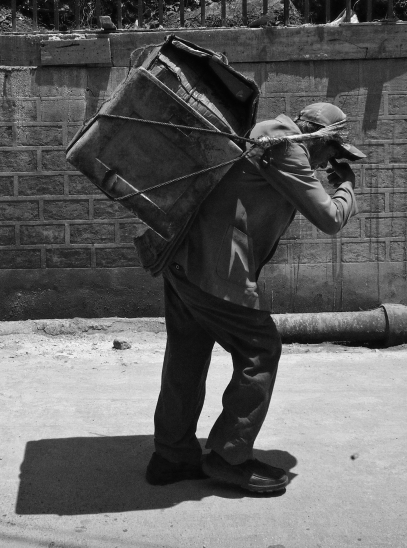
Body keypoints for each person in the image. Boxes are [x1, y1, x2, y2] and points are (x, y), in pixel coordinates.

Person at [144, 101, 364, 493]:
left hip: (183, 260)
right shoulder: (287, 149)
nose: (330, 162)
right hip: (216, 272)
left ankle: (171, 456)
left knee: (188, 354)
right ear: (321, 139)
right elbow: (330, 218)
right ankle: (229, 457)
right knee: (261, 349)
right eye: (334, 152)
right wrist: (346, 185)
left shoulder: (269, 135)